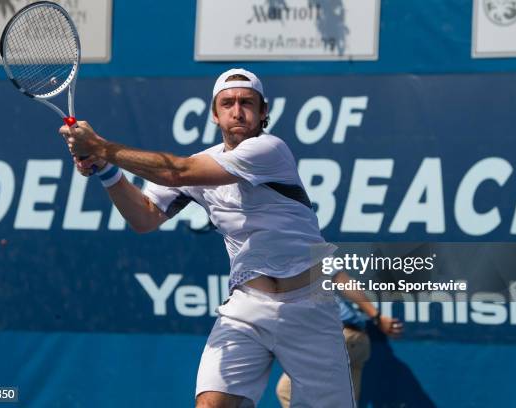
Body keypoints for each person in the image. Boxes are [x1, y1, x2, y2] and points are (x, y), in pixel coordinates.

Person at [60, 68, 355, 408]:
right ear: (215, 114)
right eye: (227, 103)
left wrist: (99, 146)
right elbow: (144, 217)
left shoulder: (270, 149)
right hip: (247, 307)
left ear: (263, 113)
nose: (237, 110)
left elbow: (177, 172)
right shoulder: (200, 163)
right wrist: (106, 170)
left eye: (247, 102)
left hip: (308, 307)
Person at [276, 270, 403, 407]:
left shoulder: (301, 253)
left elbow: (343, 281)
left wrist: (377, 317)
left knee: (287, 390)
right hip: (356, 340)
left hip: (339, 338)